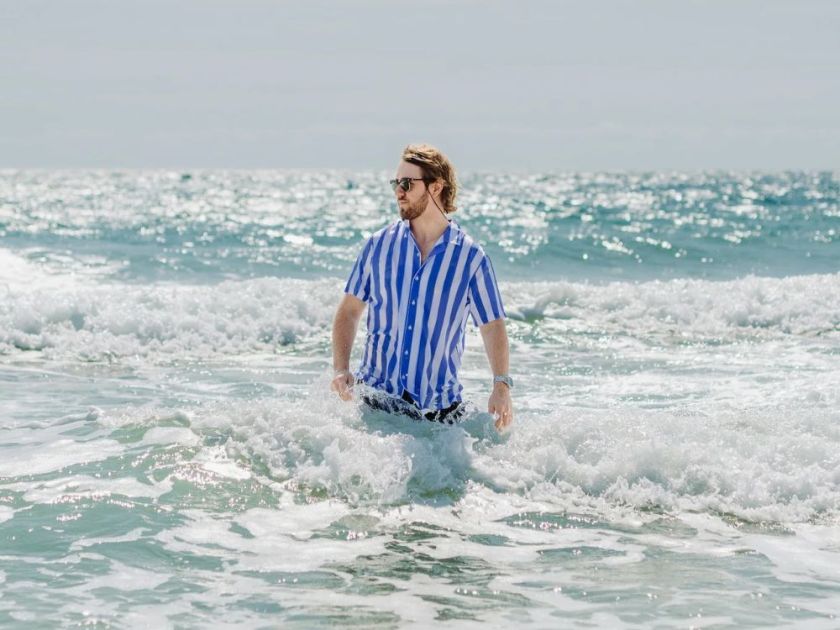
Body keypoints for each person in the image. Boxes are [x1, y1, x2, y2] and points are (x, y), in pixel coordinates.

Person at [330, 144, 514, 431]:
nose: (398, 192)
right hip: (375, 406)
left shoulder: (470, 258)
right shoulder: (378, 246)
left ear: (436, 187)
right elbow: (349, 311)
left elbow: (492, 325)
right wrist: (341, 369)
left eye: (407, 183)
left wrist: (501, 385)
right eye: (396, 183)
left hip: (437, 418)